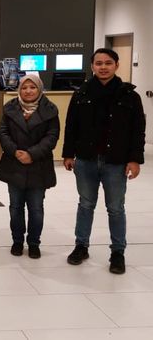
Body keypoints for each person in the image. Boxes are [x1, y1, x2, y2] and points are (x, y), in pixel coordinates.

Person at [63, 48, 145, 274]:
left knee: (115, 208)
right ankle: (81, 246)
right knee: (85, 204)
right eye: (98, 63)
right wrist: (68, 154)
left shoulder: (130, 95)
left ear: (116, 65)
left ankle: (118, 252)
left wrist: (135, 160)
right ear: (92, 66)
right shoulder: (81, 93)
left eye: (108, 63)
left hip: (116, 161)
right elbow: (71, 126)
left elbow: (138, 131)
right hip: (86, 159)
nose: (103, 67)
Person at [0, 75, 59, 258]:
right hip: (14, 164)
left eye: (32, 87)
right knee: (15, 207)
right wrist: (15, 151)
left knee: (36, 208)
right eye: (24, 87)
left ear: (39, 89)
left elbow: (52, 137)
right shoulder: (10, 108)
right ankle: (17, 241)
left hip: (38, 165)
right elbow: (3, 132)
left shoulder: (50, 110)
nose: (28, 91)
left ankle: (34, 243)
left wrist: (31, 154)